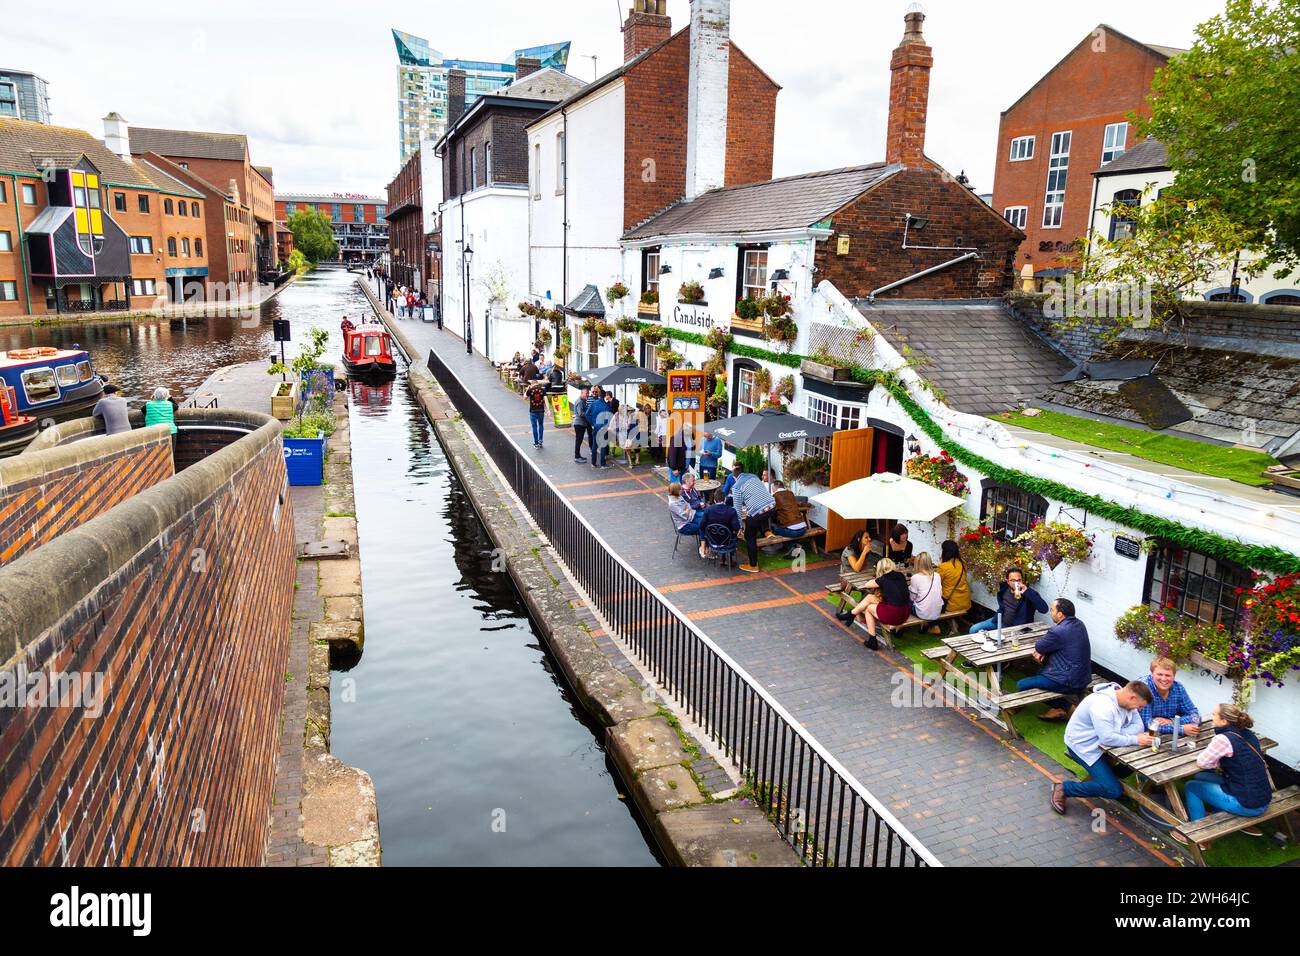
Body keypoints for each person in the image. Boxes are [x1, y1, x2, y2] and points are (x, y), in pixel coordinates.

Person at [1051, 681, 1154, 814]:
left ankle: (1105, 779)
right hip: (1084, 747)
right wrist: (1134, 739)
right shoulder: (1102, 706)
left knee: (1136, 763)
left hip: (1106, 746)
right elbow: (1108, 738)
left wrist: (1115, 733)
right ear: (1132, 698)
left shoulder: (1127, 701)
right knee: (1113, 790)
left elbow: (1139, 727)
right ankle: (1064, 788)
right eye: (1139, 706)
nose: (1139, 709)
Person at [1172, 703, 1271, 837]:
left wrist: (1217, 763)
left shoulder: (1223, 739)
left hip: (1248, 805)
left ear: (1224, 721)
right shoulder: (1248, 734)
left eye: (1214, 714)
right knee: (1200, 777)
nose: (1212, 716)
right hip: (1262, 798)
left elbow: (1202, 762)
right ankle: (1218, 814)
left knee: (1191, 787)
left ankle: (1199, 835)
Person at [1017, 598, 1093, 721]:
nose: (1050, 612)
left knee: (1022, 684)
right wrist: (1045, 652)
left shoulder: (1058, 630)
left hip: (1069, 681)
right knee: (1040, 672)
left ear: (1060, 614)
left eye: (1052, 610)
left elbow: (1039, 646)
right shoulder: (1080, 624)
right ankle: (1059, 707)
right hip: (1083, 677)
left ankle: (1067, 708)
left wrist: (1042, 651)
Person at [837, 557, 909, 651]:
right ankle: (852, 614)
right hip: (905, 612)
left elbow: (867, 585)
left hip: (895, 615)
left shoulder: (883, 579)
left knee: (869, 609)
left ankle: (872, 641)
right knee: (870, 598)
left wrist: (878, 577)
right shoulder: (900, 575)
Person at [969, 567, 1048, 633]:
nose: (1016, 583)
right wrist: (997, 618)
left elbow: (1044, 609)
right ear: (1007, 581)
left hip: (1017, 628)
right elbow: (1002, 606)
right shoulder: (1004, 588)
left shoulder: (1029, 593)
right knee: (974, 629)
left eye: (1019, 580)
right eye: (1013, 580)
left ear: (1022, 580)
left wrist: (1027, 592)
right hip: (1000, 621)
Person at [1139, 657, 1201, 737]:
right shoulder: (1144, 688)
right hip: (1147, 737)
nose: (1164, 679)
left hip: (1169, 735)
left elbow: (1195, 716)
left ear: (1174, 676)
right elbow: (1147, 724)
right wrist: (1180, 729)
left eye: (1168, 675)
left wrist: (1172, 721)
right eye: (1160, 674)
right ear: (1152, 674)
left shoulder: (1178, 687)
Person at [732, 470, 777, 574]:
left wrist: (739, 527)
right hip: (772, 505)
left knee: (749, 536)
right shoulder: (753, 476)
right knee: (759, 513)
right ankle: (767, 531)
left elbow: (737, 510)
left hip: (758, 511)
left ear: (734, 478)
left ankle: (753, 565)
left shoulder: (736, 487)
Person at [698, 488, 740, 561]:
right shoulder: (732, 511)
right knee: (734, 534)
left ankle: (723, 558)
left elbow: (702, 526)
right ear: (725, 499)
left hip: (712, 541)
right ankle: (729, 558)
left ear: (714, 500)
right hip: (728, 542)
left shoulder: (708, 510)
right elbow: (736, 527)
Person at [936, 540, 972, 617]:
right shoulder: (963, 562)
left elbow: (936, 584)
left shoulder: (943, 567)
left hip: (951, 604)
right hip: (965, 601)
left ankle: (932, 625)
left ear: (945, 552)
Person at [668, 481, 705, 555]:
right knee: (703, 527)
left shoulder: (679, 496)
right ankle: (703, 548)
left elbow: (688, 505)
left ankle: (704, 546)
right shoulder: (672, 504)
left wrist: (686, 510)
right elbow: (684, 515)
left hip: (690, 518)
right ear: (676, 491)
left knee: (705, 521)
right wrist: (687, 510)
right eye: (680, 489)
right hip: (684, 526)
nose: (682, 490)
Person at [768, 480, 807, 545]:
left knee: (775, 530)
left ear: (775, 487)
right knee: (784, 527)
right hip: (803, 529)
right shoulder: (790, 493)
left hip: (792, 531)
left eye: (772, 488)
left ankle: (793, 546)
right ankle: (794, 545)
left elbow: (772, 512)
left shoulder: (774, 496)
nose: (772, 490)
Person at [908, 552, 944, 622]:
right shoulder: (937, 575)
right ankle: (933, 625)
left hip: (922, 613)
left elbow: (912, 598)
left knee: (905, 600)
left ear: (917, 563)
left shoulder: (915, 577)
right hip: (937, 611)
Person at [588, 387, 612, 469]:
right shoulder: (606, 406)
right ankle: (602, 464)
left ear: (598, 394)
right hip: (603, 428)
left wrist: (592, 423)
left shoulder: (593, 403)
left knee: (594, 446)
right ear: (605, 396)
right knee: (603, 446)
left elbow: (587, 414)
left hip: (595, 427)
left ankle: (593, 463)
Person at [525, 379, 548, 449]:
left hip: (533, 411)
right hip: (541, 410)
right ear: (537, 383)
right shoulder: (542, 390)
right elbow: (546, 399)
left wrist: (527, 389)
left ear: (532, 384)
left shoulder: (530, 390)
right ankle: (540, 440)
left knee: (534, 427)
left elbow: (524, 397)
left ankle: (536, 443)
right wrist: (548, 409)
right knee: (541, 425)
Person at [572, 385, 591, 463]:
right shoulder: (580, 401)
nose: (587, 395)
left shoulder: (582, 400)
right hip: (579, 424)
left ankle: (578, 456)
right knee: (578, 441)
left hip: (580, 423)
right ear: (582, 393)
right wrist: (588, 414)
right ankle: (577, 457)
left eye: (588, 393)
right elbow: (580, 413)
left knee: (579, 440)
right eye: (586, 393)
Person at [624, 403, 647, 468]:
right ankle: (636, 459)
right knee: (635, 444)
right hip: (637, 436)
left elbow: (628, 427)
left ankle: (631, 462)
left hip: (632, 435)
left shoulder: (631, 417)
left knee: (628, 446)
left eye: (630, 411)